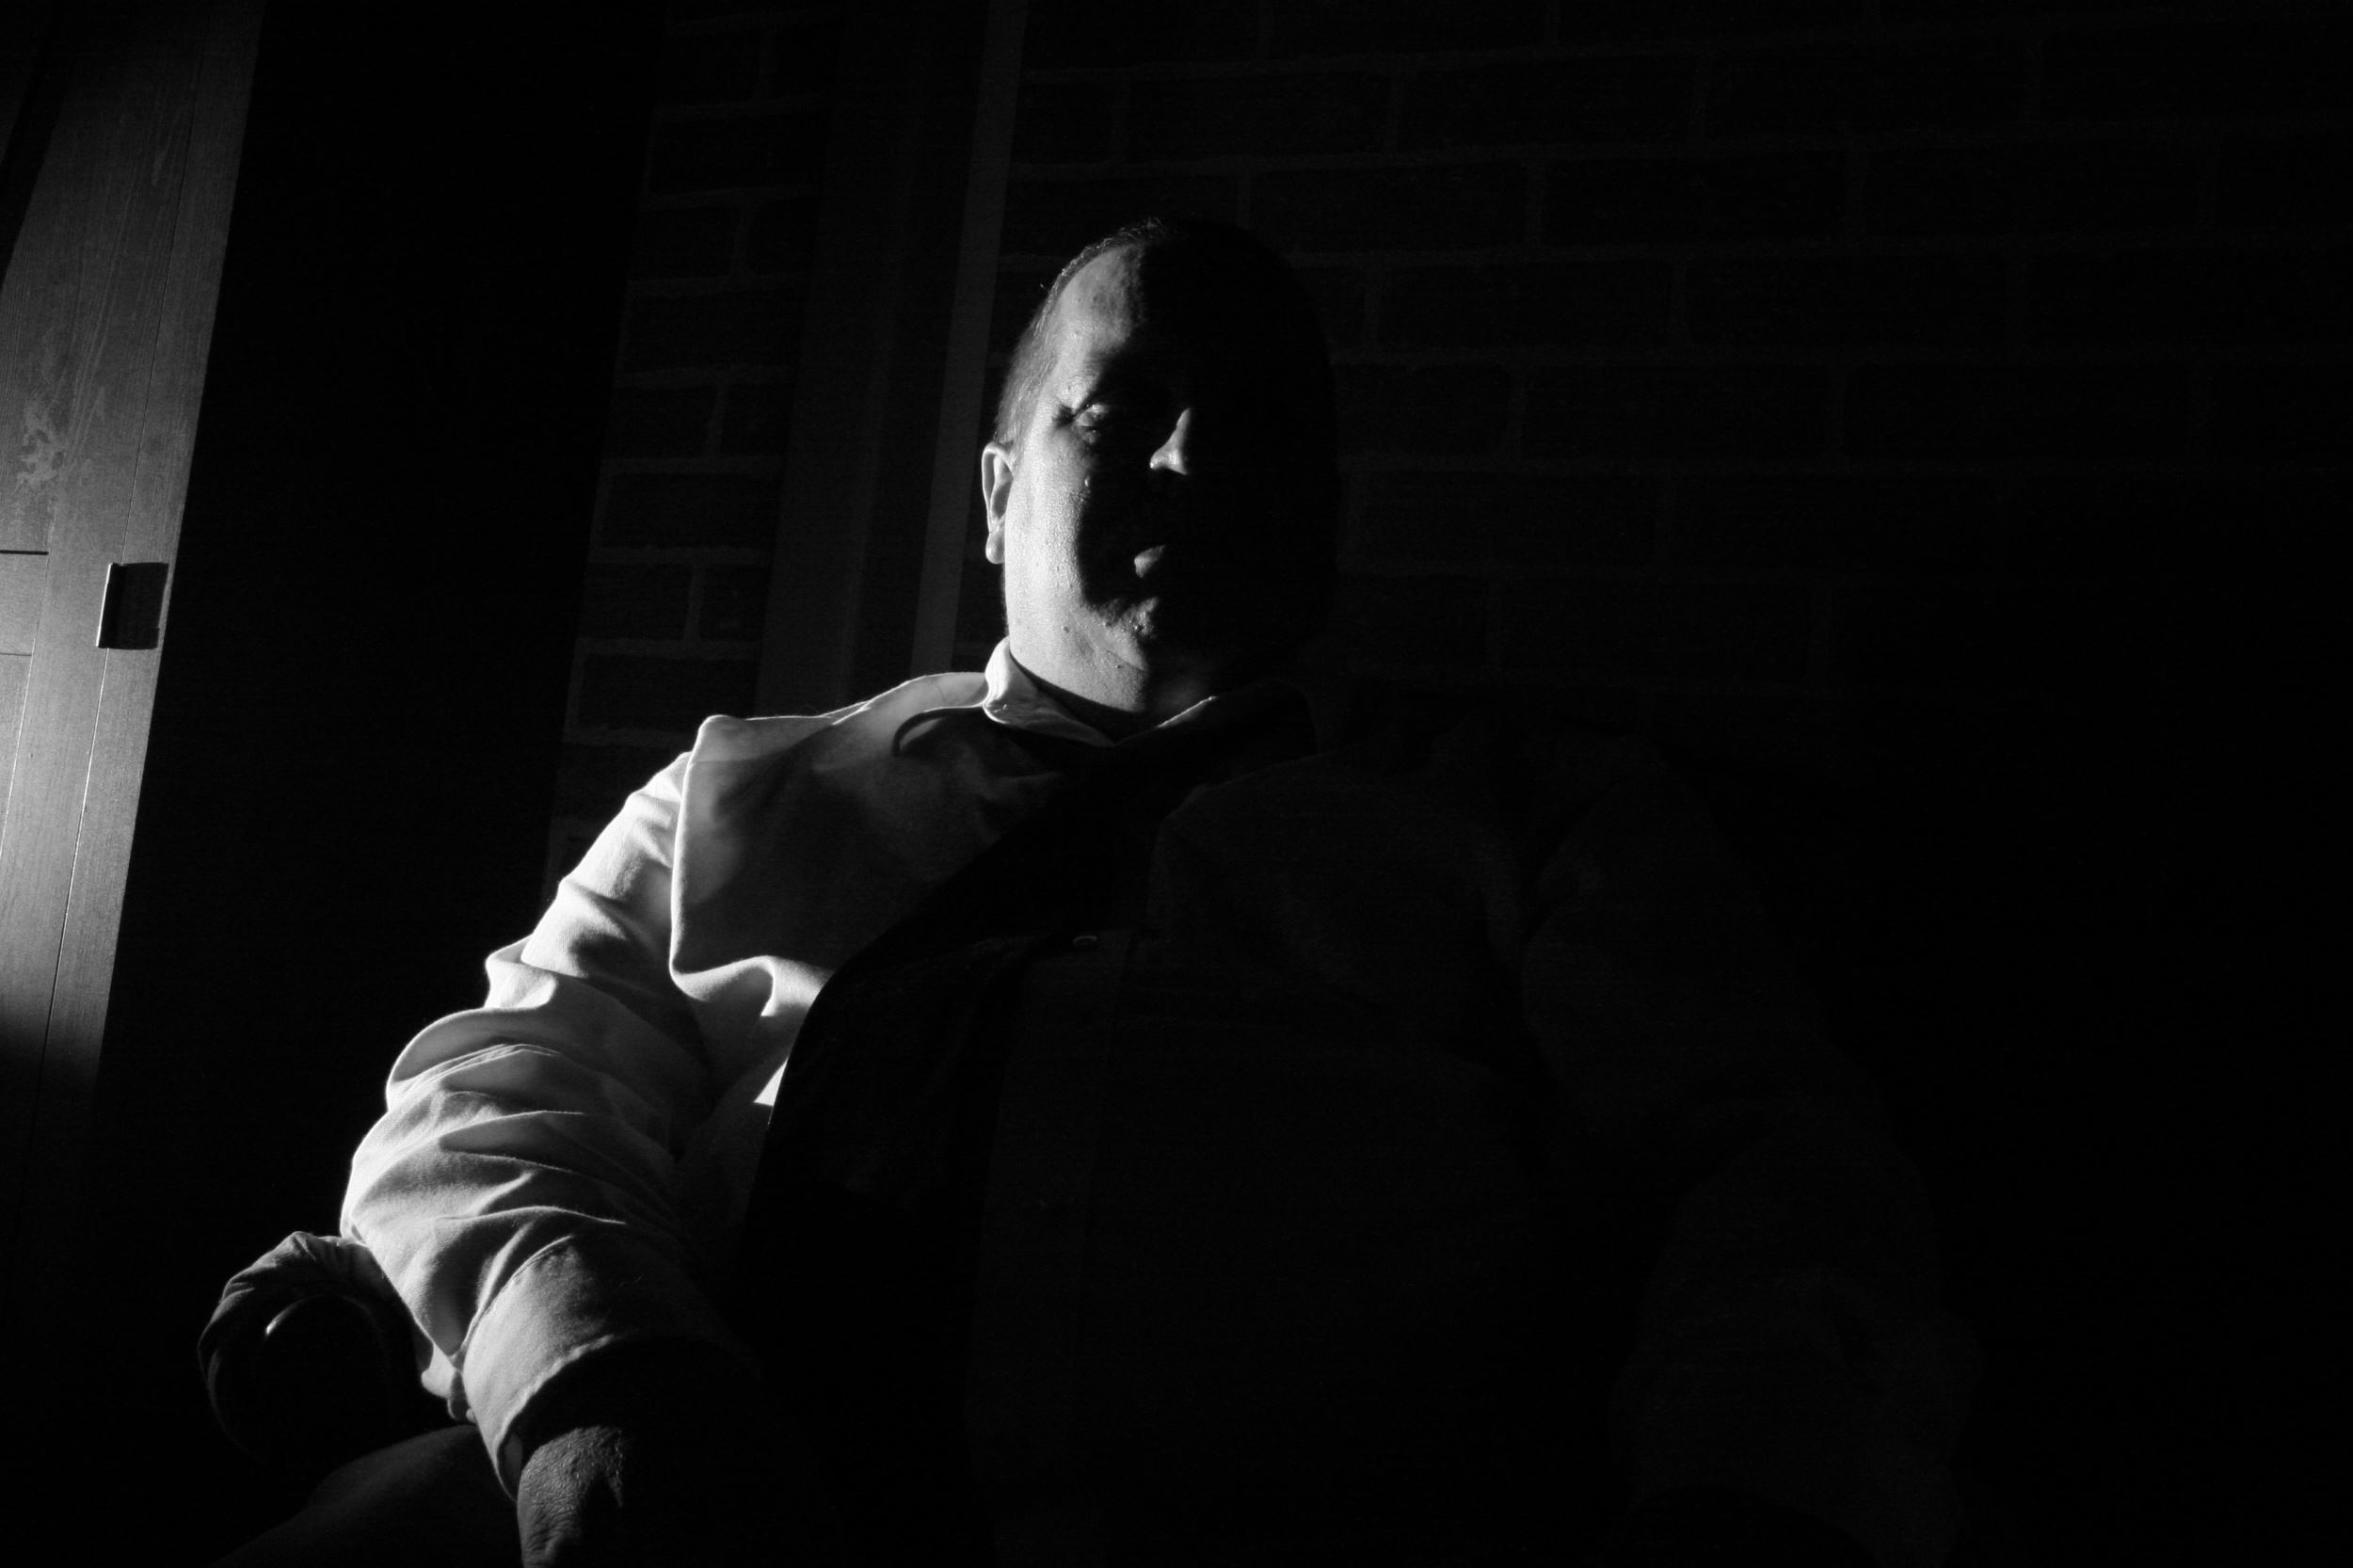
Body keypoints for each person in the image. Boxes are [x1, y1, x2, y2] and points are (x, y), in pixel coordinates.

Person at [218, 218, 1975, 1567]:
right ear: (999, 498)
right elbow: (490, 1098)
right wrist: (601, 1381)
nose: (1194, 464)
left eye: (1254, 428)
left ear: (1326, 511)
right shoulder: (741, 793)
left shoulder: (1540, 820)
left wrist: (1749, 1491)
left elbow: (1774, 1177)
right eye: (1125, 411)